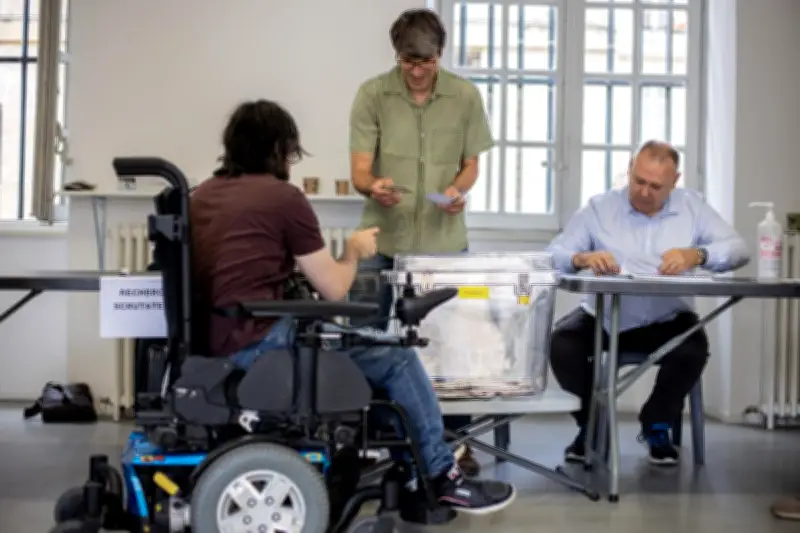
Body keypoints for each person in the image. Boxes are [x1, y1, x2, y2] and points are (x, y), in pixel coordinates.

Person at [189, 99, 515, 515]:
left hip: (218, 338)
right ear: (279, 150)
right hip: (261, 343)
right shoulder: (281, 198)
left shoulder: (204, 194)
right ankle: (440, 475)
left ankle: (413, 472)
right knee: (395, 359)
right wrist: (354, 250)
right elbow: (334, 288)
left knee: (368, 355)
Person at [348, 8, 495, 476]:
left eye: (425, 62)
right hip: (381, 242)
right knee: (365, 339)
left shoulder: (465, 96)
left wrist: (457, 190)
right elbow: (359, 171)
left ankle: (456, 445)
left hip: (443, 246)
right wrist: (374, 186)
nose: (416, 71)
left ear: (440, 54)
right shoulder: (372, 94)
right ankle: (369, 441)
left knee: (451, 346)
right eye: (407, 61)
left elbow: (471, 164)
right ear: (396, 54)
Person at [546, 140, 750, 467]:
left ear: (675, 181)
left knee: (693, 350)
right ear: (629, 169)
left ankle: (657, 423)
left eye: (655, 186)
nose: (644, 192)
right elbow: (553, 254)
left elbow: (739, 249)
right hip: (604, 316)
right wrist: (582, 257)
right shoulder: (599, 208)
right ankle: (592, 424)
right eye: (638, 181)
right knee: (562, 344)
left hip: (667, 318)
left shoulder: (693, 207)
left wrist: (697, 254)